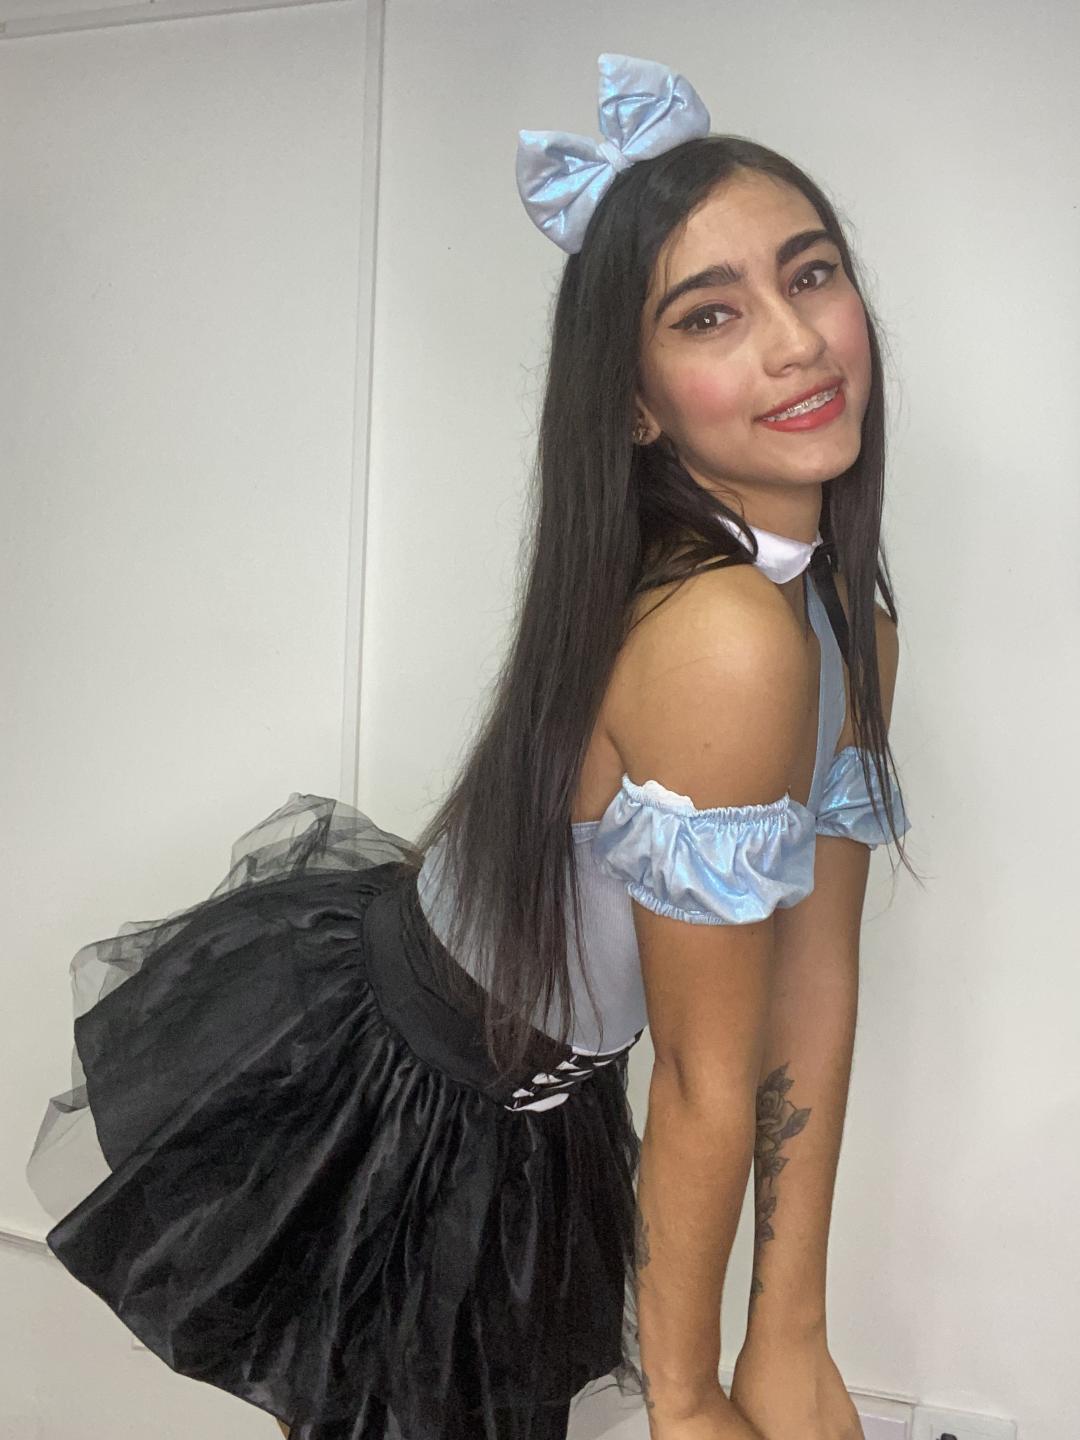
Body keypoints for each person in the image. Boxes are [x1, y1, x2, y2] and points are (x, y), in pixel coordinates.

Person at [25, 51, 915, 1440]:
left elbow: (811, 981)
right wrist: (686, 1401)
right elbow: (699, 1072)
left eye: (812, 276)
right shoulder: (727, 638)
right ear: (635, 404)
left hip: (543, 1102)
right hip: (407, 1091)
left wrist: (787, 1332)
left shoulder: (848, 622)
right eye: (710, 314)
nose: (796, 342)